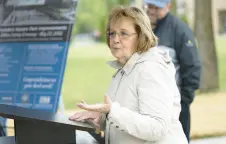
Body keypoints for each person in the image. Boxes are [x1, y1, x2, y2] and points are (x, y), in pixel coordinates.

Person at [69, 6, 188, 144]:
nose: (115, 39)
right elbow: (127, 116)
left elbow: (157, 127)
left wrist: (112, 112)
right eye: (111, 33)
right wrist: (102, 117)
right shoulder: (125, 68)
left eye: (123, 33)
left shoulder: (151, 68)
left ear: (141, 35)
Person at [143, 0, 201, 142]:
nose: (151, 10)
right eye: (149, 6)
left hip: (176, 106)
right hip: (150, 105)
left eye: (156, 7)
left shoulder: (180, 30)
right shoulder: (144, 29)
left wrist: (183, 101)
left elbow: (192, 66)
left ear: (168, 6)